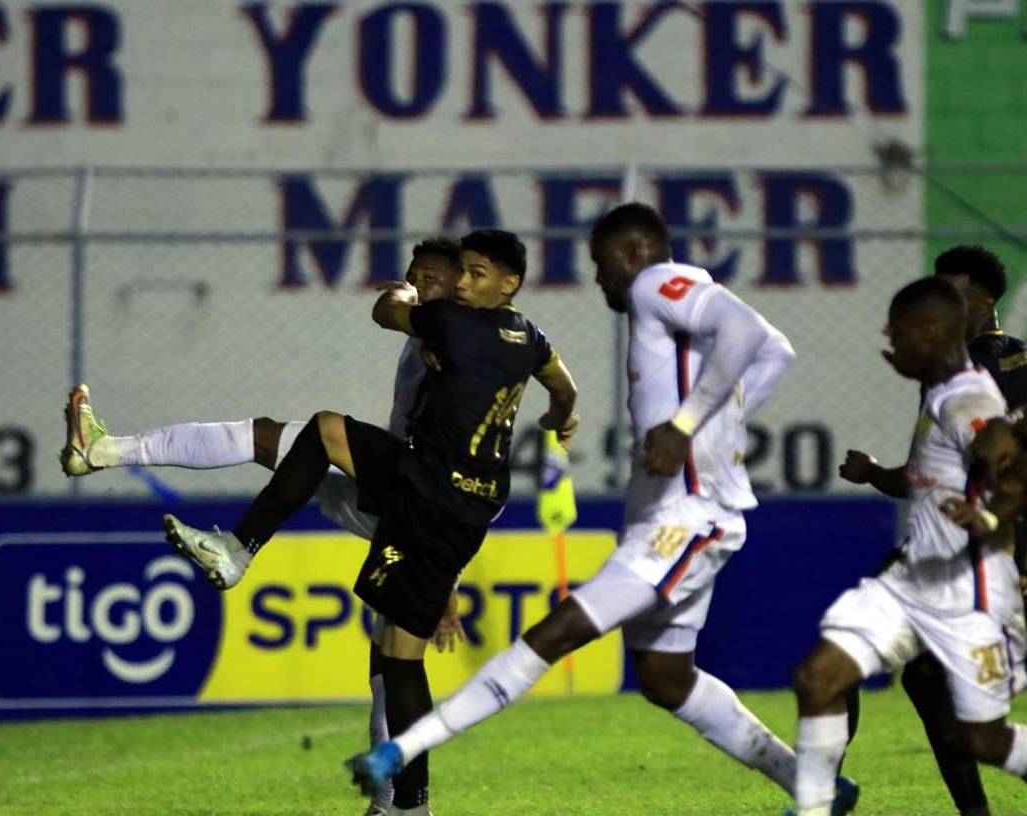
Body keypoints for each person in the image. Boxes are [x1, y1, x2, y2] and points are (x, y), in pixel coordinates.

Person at [344, 202, 826, 810]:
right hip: (669, 515)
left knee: (552, 633)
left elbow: (749, 334)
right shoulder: (683, 295)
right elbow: (776, 350)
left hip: (687, 519)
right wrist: (718, 424)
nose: (597, 278)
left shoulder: (654, 282)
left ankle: (396, 754)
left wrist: (684, 425)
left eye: (600, 264)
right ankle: (814, 785)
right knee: (665, 678)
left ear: (628, 253)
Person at [159, 228, 579, 816]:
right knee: (399, 655)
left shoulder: (454, 323)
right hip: (469, 506)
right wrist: (561, 419)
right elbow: (565, 387)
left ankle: (238, 548)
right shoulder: (531, 338)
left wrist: (410, 293)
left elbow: (385, 312)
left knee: (327, 433)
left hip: (428, 489)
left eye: (476, 273)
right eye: (461, 271)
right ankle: (410, 806)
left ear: (509, 284)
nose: (461, 282)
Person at [59, 237, 467, 816]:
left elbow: (468, 469)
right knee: (271, 438)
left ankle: (234, 546)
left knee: (393, 662)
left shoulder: (461, 336)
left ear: (466, 287)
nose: (420, 285)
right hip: (396, 491)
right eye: (415, 275)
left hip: (410, 498)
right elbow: (395, 312)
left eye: (433, 277)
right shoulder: (438, 326)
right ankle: (106, 451)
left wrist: (447, 573)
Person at [792, 277, 1027, 816]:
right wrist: (876, 472)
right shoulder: (942, 392)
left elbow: (1007, 460)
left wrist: (991, 517)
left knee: (982, 734)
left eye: (897, 333)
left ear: (933, 330)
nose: (889, 343)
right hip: (924, 570)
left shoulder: (968, 393)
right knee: (826, 673)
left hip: (970, 577)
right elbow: (935, 476)